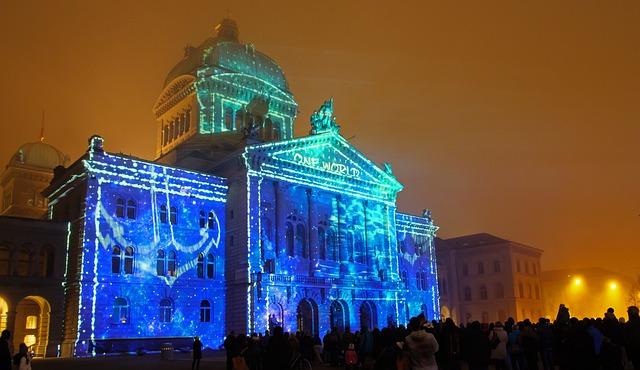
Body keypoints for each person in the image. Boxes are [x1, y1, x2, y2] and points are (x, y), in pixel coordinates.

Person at [625, 306, 640, 370]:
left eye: (628, 312)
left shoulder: (628, 325)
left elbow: (627, 341)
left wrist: (629, 357)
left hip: (634, 353)